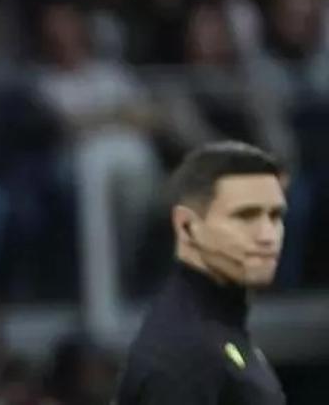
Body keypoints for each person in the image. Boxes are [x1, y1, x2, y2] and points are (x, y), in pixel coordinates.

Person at [114, 141, 287, 404]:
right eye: (245, 216)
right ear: (187, 227)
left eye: (274, 216)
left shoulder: (216, 326)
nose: (267, 236)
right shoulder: (183, 351)